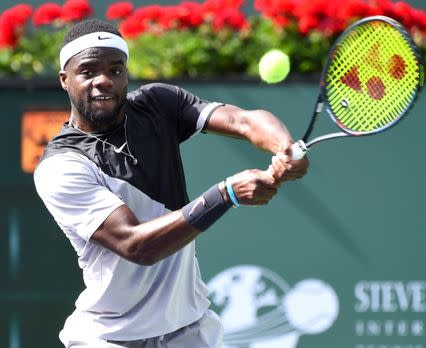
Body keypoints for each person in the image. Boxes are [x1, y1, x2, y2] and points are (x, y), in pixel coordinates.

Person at [34, 18, 309, 348]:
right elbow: (137, 245)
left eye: (115, 70)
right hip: (109, 338)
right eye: (89, 71)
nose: (103, 80)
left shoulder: (157, 104)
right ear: (65, 80)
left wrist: (285, 147)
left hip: (189, 329)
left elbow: (243, 120)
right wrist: (225, 195)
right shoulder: (61, 166)